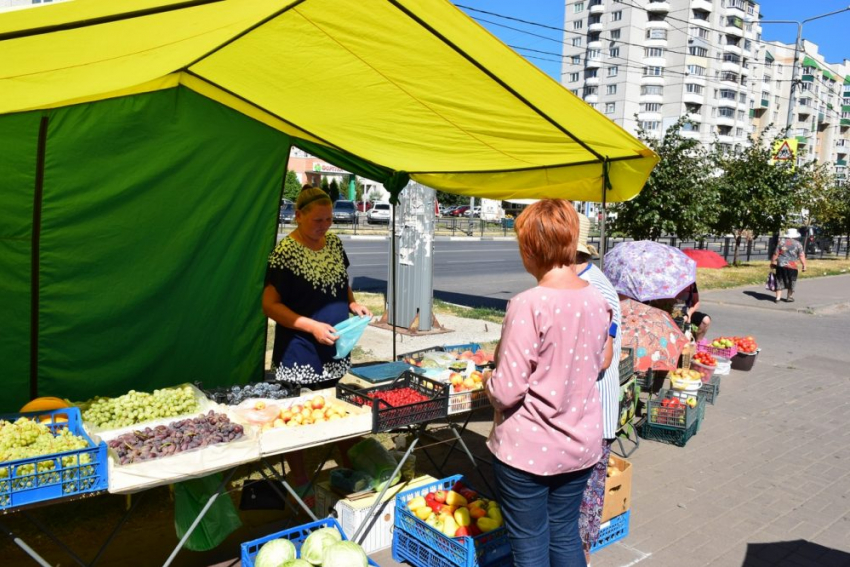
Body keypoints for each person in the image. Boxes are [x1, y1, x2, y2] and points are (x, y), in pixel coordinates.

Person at [484, 200, 612, 567]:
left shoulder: (529, 303)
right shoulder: (596, 298)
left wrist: (487, 381)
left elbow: (507, 389)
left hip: (529, 450)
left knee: (530, 545)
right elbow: (603, 360)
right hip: (580, 444)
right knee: (564, 533)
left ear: (530, 249)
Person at [262, 185, 371, 501]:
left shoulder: (335, 244)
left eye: (328, 220)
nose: (324, 226)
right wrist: (310, 326)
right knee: (296, 418)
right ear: (298, 216)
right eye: (317, 220)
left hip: (333, 346)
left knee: (336, 409)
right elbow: (269, 305)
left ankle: (352, 473)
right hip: (299, 350)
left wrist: (353, 304)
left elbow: (341, 285)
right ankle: (299, 481)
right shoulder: (285, 253)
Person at [573, 214, 620, 565]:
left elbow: (600, 358)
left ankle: (580, 559)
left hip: (592, 414)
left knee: (583, 501)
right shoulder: (584, 283)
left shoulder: (594, 289)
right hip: (584, 412)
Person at [771, 229, 807, 303]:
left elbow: (776, 254)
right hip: (792, 266)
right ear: (795, 236)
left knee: (779, 280)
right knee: (792, 280)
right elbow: (801, 255)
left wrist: (772, 262)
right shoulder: (798, 244)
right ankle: (789, 297)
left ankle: (777, 298)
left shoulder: (781, 243)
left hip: (781, 265)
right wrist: (804, 265)